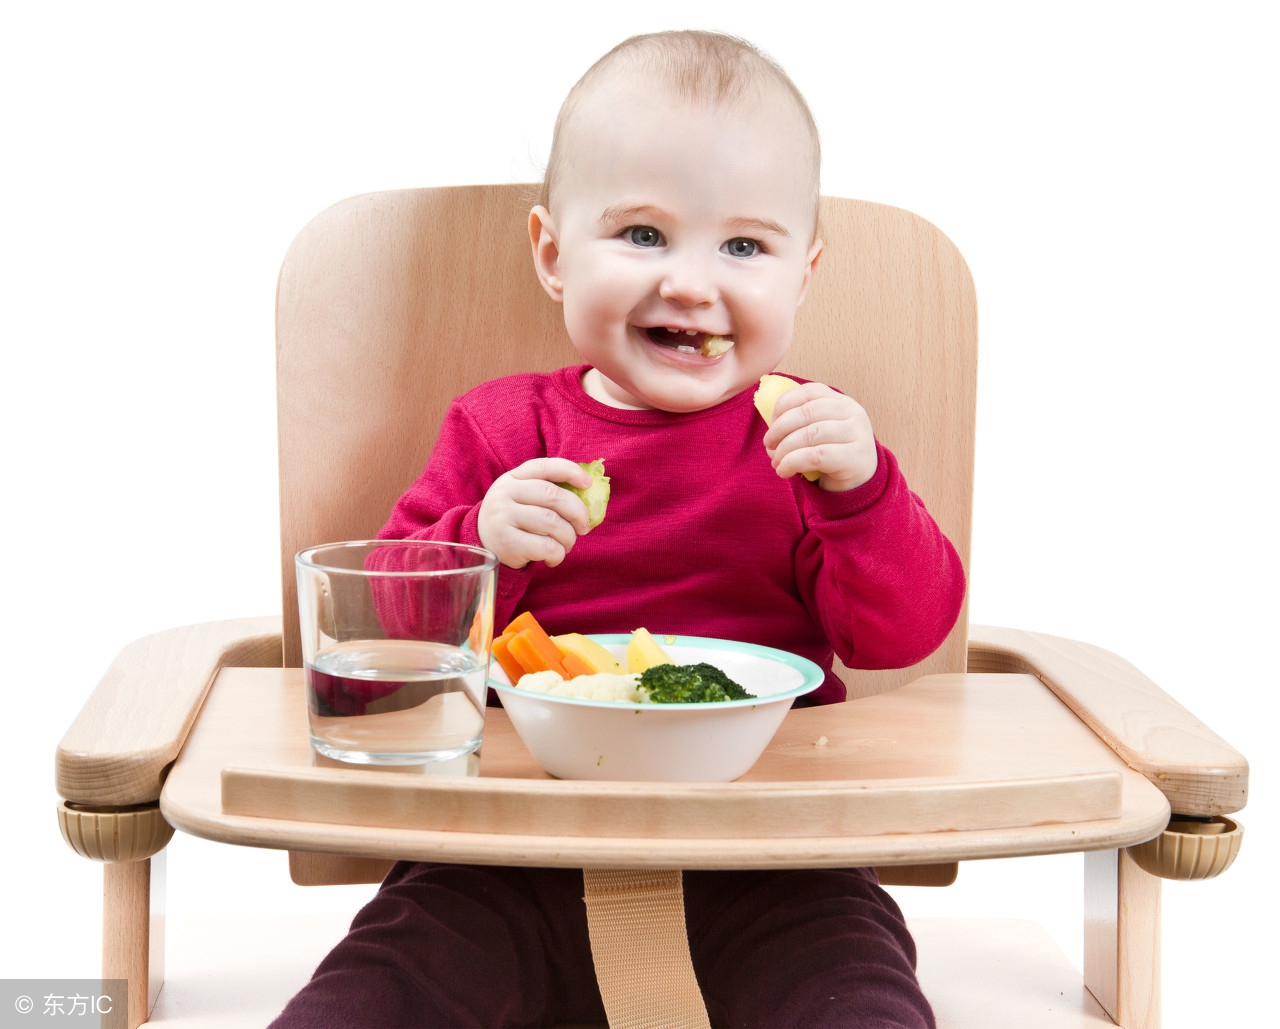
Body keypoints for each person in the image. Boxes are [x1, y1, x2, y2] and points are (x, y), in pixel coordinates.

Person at [270, 29, 964, 1029]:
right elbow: (383, 634)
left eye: (742, 246)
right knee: (382, 986)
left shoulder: (808, 440)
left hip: (771, 849)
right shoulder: (502, 430)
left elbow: (902, 635)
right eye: (642, 234)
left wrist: (861, 493)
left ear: (800, 276)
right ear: (554, 255)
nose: (689, 281)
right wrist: (479, 542)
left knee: (851, 993)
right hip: (504, 846)